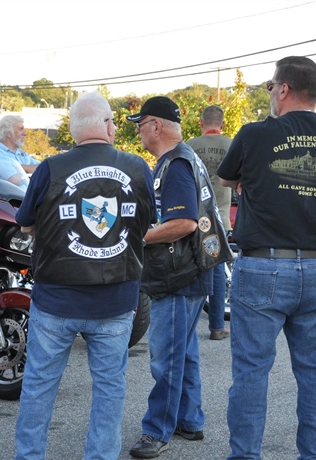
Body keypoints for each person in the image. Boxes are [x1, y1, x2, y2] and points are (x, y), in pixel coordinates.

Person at [217, 56, 316, 460]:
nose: (270, 94)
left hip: (264, 264)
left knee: (251, 371)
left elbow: (226, 177)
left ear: (282, 89)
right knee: (315, 373)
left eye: (270, 87)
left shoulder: (255, 134)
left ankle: (245, 456)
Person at [13, 91, 155, 460]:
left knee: (39, 386)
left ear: (75, 130)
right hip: (116, 299)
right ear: (107, 125)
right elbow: (145, 224)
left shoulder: (49, 168)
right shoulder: (137, 167)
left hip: (56, 299)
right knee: (109, 388)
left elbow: (25, 223)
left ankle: (29, 456)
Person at [128, 96, 233, 459]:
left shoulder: (175, 165)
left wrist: (138, 237)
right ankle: (190, 419)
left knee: (167, 358)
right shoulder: (184, 157)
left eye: (141, 125)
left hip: (178, 276)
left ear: (155, 125)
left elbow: (184, 223)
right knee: (183, 353)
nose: (139, 132)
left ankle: (156, 431)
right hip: (192, 271)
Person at [186, 105, 233, 341]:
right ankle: (216, 326)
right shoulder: (231, 145)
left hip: (192, 218)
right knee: (216, 271)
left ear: (200, 123)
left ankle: (188, 326)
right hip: (219, 219)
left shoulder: (189, 146)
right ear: (222, 124)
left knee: (189, 270)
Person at [0, 115, 40, 190]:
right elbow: (15, 180)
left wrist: (23, 167)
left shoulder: (22, 154)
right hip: (12, 197)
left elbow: (43, 168)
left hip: (28, 196)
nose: (25, 133)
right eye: (21, 129)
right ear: (9, 133)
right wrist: (30, 170)